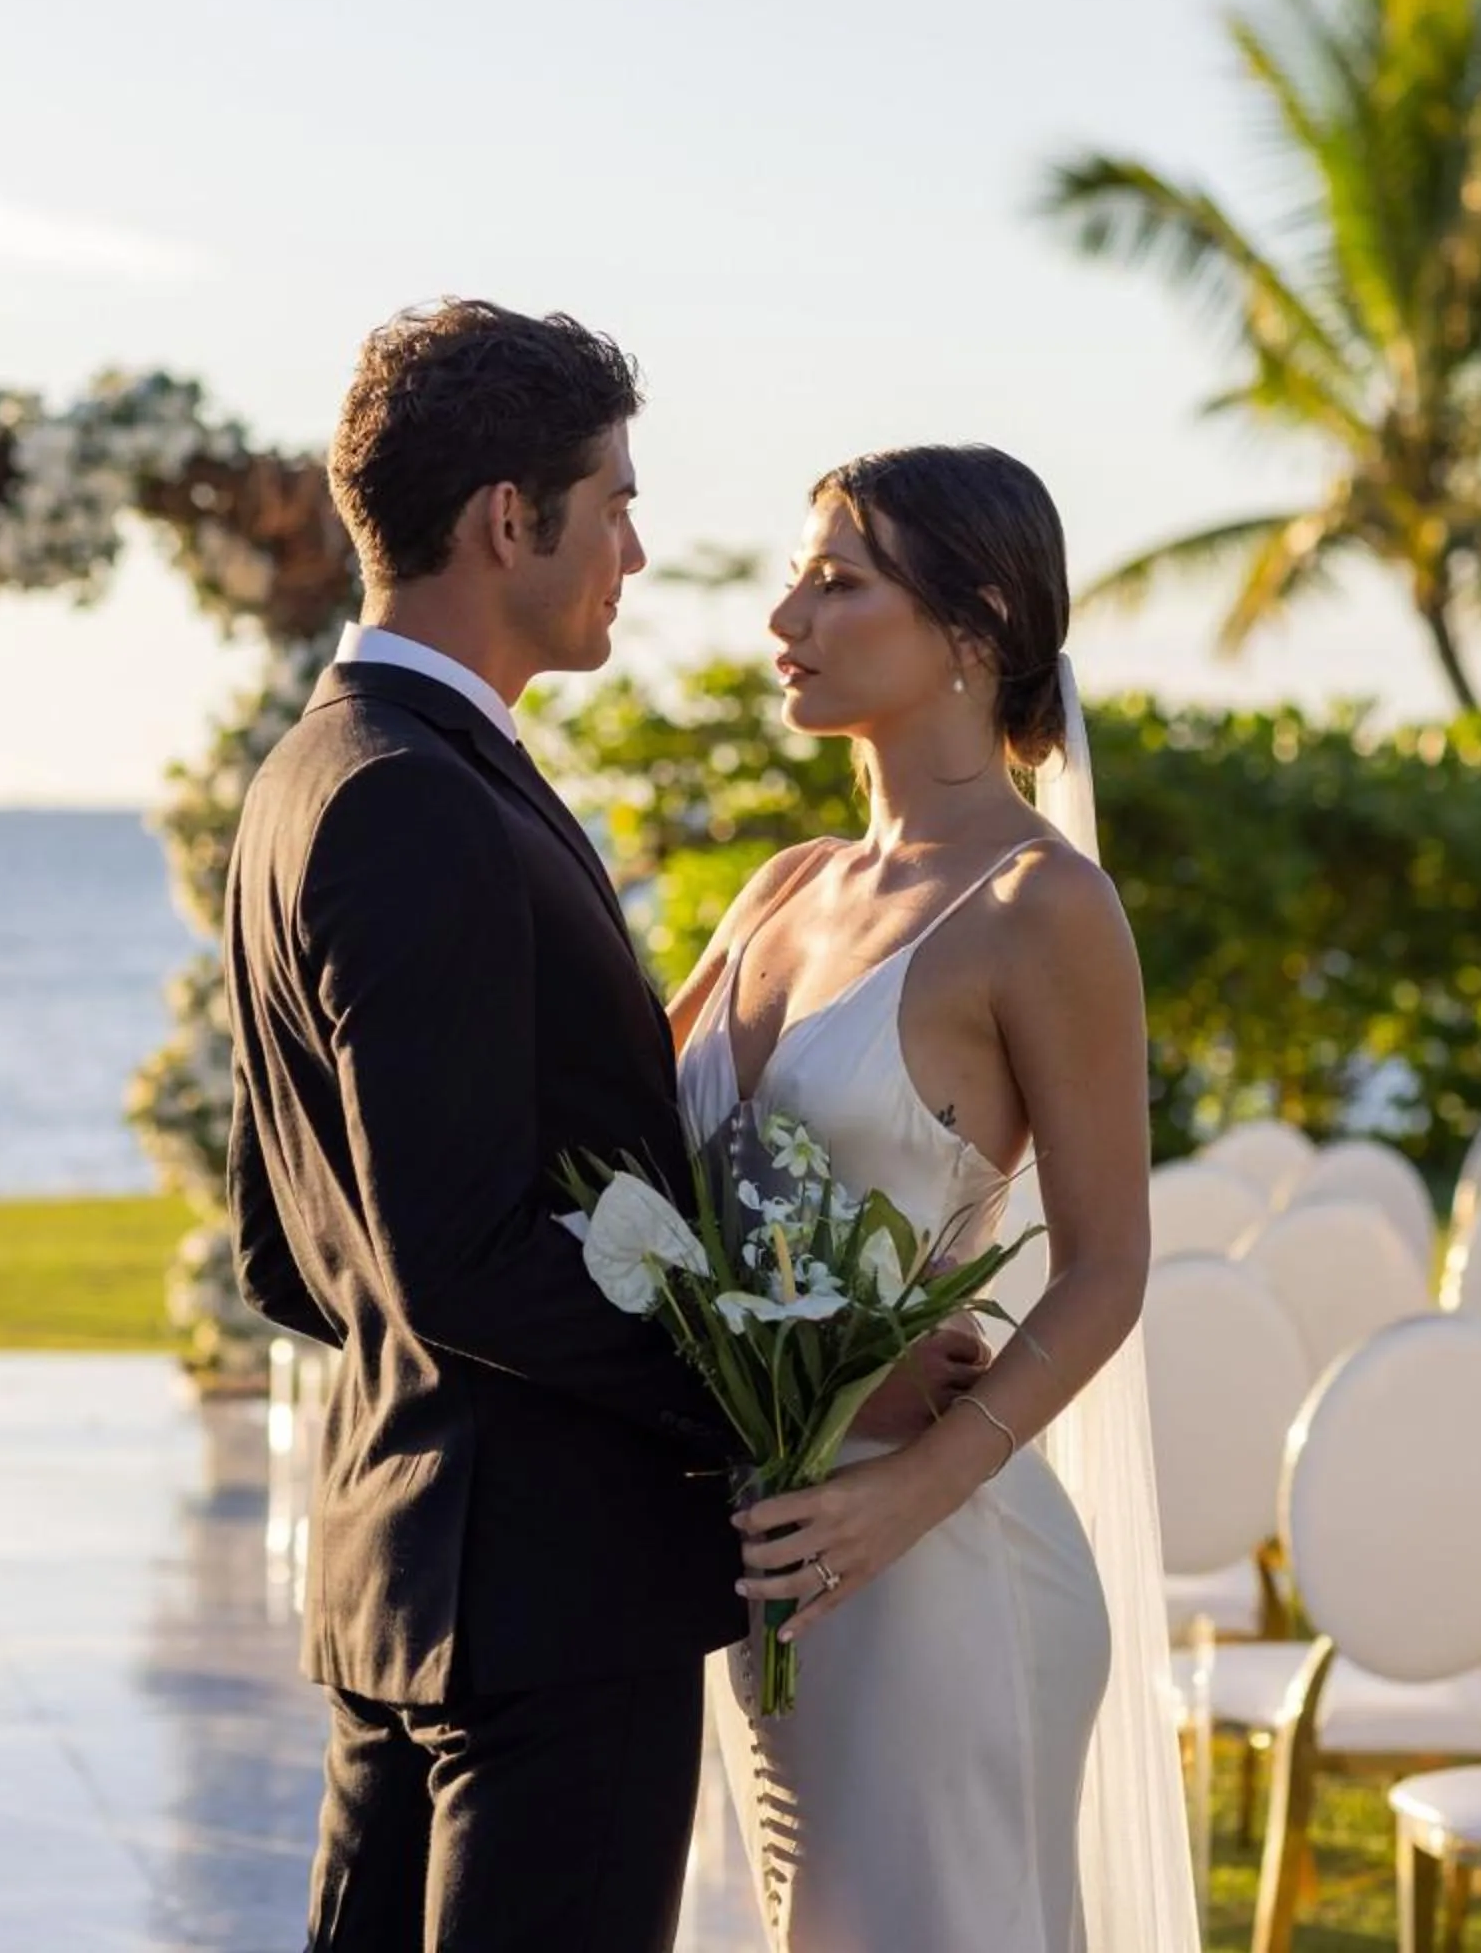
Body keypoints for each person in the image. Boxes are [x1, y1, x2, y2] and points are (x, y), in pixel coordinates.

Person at [222, 302, 979, 1952]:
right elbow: (467, 1260)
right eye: (616, 500)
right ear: (513, 517)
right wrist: (808, 1379)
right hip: (542, 1613)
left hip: (406, 1582)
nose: (637, 547)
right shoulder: (416, 800)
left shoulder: (318, 774)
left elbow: (289, 1254)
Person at [669, 445, 1197, 1952]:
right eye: (799, 577)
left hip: (939, 1569)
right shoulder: (781, 888)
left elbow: (1105, 1269)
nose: (787, 615)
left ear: (973, 629)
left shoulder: (1043, 911)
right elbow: (635, 1185)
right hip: (768, 1559)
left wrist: (907, 1486)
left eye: (839, 583)